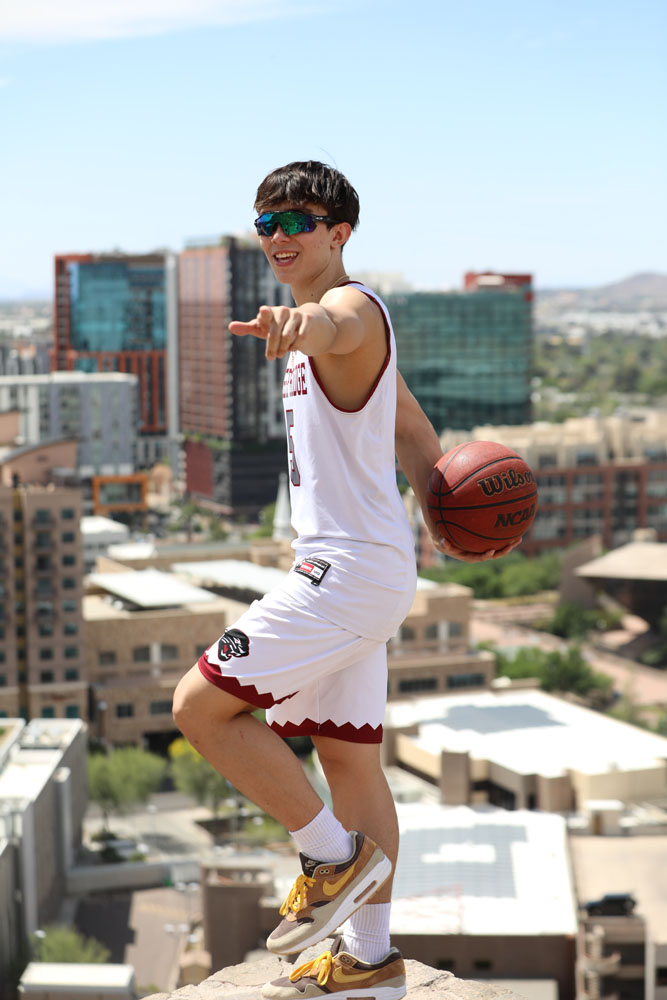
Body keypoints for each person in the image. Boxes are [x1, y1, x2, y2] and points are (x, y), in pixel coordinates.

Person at [172, 160, 520, 1000]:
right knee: (351, 760)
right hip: (368, 569)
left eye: (297, 220)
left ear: (338, 232)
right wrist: (442, 513)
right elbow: (407, 426)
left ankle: (331, 858)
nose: (279, 237)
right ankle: (369, 955)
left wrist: (304, 328)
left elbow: (334, 323)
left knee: (199, 707)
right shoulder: (328, 326)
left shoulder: (349, 310)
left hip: (347, 573)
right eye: (265, 223)